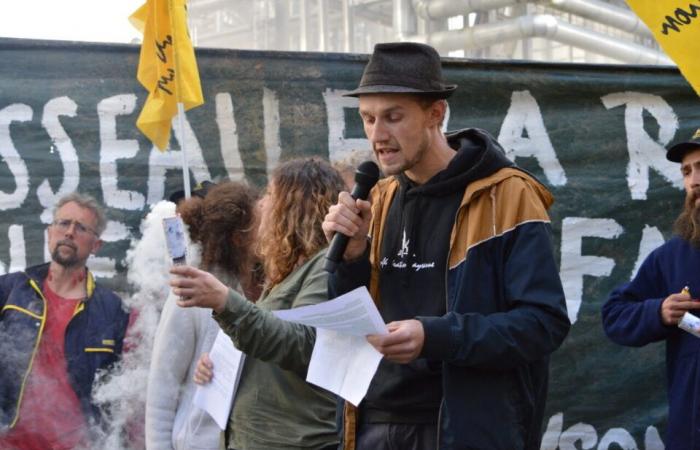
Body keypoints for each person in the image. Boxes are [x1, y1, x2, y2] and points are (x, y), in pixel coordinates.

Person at [321, 42, 570, 450]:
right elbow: (351, 325)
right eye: (367, 119)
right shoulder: (377, 199)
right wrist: (350, 261)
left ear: (436, 114)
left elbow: (543, 324)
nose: (377, 135)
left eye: (392, 117)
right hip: (372, 424)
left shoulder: (508, 194)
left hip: (462, 429)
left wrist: (435, 336)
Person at [171, 158, 345, 450]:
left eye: (270, 195)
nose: (261, 205)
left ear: (294, 206)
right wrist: (223, 367)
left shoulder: (326, 267)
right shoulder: (287, 270)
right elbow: (269, 347)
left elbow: (302, 344)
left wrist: (225, 302)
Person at [0, 192, 130, 450]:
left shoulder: (114, 310)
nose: (69, 232)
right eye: (63, 223)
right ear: (50, 232)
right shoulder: (9, 290)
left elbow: (123, 392)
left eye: (81, 227)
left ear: (96, 245)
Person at [601, 128, 700, 450]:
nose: (694, 181)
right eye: (686, 171)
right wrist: (657, 312)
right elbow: (615, 314)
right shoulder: (673, 256)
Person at [145, 181, 259, 450]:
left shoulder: (275, 286)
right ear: (239, 238)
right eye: (261, 223)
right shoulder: (192, 291)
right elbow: (163, 387)